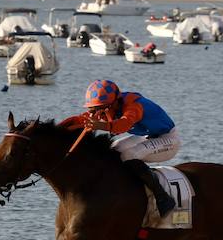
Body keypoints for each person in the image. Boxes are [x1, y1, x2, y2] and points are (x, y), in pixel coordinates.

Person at [62, 79, 180, 217]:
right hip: (148, 136)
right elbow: (81, 120)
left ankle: (163, 198)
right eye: (94, 109)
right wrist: (55, 130)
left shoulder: (134, 106)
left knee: (129, 154)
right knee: (114, 149)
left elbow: (123, 125)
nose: (98, 114)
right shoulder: (111, 104)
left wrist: (100, 125)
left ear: (114, 103)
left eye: (101, 109)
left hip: (168, 139)